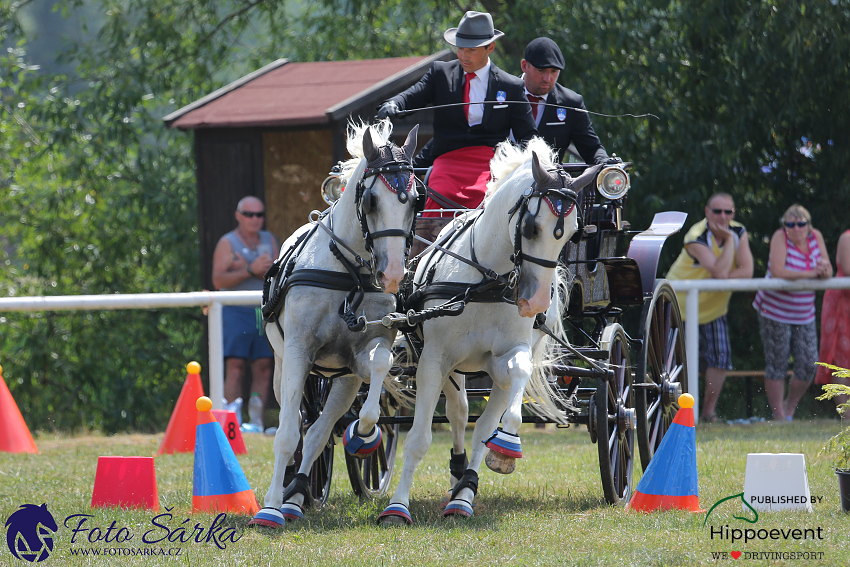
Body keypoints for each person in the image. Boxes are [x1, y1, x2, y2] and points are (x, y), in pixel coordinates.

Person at [377, 11, 536, 217]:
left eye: (471, 49)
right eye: (460, 48)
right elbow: (413, 95)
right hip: (447, 159)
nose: (463, 55)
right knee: (437, 194)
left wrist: (521, 169)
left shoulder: (511, 86)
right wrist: (394, 103)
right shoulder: (440, 74)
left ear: (491, 47)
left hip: (490, 162)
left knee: (489, 199)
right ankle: (426, 247)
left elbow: (528, 137)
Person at [666, 193, 754, 422]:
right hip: (680, 307)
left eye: (728, 212)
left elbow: (747, 272)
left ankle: (707, 413)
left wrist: (731, 241)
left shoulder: (739, 231)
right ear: (707, 212)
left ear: (734, 213)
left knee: (721, 359)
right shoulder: (696, 235)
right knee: (676, 364)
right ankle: (679, 414)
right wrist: (730, 241)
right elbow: (720, 272)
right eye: (717, 211)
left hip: (714, 310)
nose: (723, 216)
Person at [753, 205, 832, 420]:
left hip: (804, 312)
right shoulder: (780, 237)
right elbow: (778, 271)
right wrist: (811, 273)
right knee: (777, 364)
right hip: (774, 310)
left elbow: (828, 270)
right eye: (790, 224)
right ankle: (779, 417)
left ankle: (789, 409)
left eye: (800, 223)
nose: (795, 228)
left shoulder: (816, 237)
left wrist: (824, 271)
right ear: (784, 226)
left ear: (808, 225)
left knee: (808, 364)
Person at [211, 196, 279, 432]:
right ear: (238, 215)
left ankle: (256, 421)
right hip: (234, 311)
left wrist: (243, 268)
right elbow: (218, 280)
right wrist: (251, 269)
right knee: (235, 366)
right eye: (249, 214)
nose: (255, 219)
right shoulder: (227, 242)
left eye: (259, 214)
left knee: (263, 365)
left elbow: (278, 276)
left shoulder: (270, 240)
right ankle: (231, 422)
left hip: (262, 311)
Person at [520, 37, 609, 165]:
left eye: (554, 72)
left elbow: (592, 149)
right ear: (524, 66)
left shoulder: (571, 103)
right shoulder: (504, 94)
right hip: (504, 179)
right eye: (541, 70)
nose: (547, 78)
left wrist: (606, 165)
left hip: (550, 182)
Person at [815, 229, 850, 407]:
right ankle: (848, 417)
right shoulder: (847, 237)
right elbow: (848, 268)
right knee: (842, 363)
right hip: (842, 306)